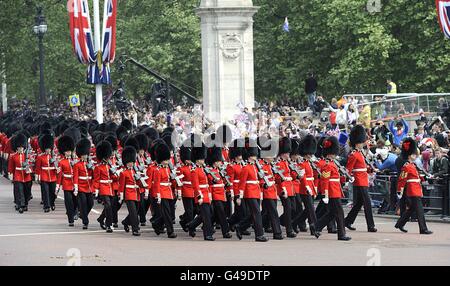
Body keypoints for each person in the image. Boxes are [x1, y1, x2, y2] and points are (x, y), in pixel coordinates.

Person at [315, 136, 351, 241]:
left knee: (332, 213)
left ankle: (316, 226)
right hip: (331, 191)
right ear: (330, 153)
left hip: (335, 189)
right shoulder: (327, 164)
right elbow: (325, 180)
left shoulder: (332, 163)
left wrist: (344, 179)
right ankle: (341, 234)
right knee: (339, 213)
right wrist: (325, 194)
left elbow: (336, 177)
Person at [395, 137, 433, 234]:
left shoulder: (412, 165)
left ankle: (400, 224)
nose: (415, 156)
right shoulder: (406, 166)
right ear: (409, 155)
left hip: (416, 188)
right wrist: (400, 190)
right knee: (419, 210)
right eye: (413, 154)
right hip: (412, 190)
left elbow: (417, 176)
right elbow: (402, 179)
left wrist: (424, 178)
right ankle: (423, 228)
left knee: (411, 209)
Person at [344, 125, 377, 232]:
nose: (364, 143)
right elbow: (348, 169)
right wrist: (346, 180)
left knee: (358, 204)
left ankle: (347, 221)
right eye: (362, 141)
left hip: (363, 179)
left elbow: (362, 167)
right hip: (358, 181)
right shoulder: (354, 154)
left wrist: (371, 170)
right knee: (367, 203)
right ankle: (370, 226)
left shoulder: (360, 153)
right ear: (358, 142)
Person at [235, 138, 268, 242]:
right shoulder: (246, 168)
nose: (255, 156)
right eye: (254, 155)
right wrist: (239, 196)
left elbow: (258, 179)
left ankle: (240, 227)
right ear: (249, 156)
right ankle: (259, 235)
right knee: (257, 213)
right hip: (249, 193)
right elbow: (242, 183)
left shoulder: (255, 166)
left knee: (254, 213)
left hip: (256, 191)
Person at [292, 135, 321, 238]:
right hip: (304, 188)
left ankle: (293, 223)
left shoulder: (309, 163)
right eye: (308, 153)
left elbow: (314, 176)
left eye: (310, 153)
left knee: (307, 210)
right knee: (311, 209)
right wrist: (307, 187)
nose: (310, 155)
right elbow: (303, 176)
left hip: (311, 186)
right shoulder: (301, 163)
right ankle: (315, 228)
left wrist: (315, 187)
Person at [187, 139, 215, 241]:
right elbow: (196, 185)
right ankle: (208, 235)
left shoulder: (203, 169)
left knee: (208, 214)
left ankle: (191, 225)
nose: (203, 160)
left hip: (207, 194)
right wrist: (199, 196)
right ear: (197, 159)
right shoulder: (194, 171)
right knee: (206, 216)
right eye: (202, 159)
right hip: (201, 195)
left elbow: (208, 183)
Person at [258, 136, 284, 240]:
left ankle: (241, 226)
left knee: (264, 213)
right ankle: (277, 233)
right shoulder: (260, 165)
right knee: (273, 211)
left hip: (272, 191)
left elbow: (275, 177)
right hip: (266, 191)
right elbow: (258, 177)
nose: (273, 158)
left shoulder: (269, 164)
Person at [205, 145, 232, 239]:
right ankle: (226, 232)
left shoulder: (219, 170)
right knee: (221, 213)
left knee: (215, 213)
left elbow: (223, 181)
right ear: (214, 161)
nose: (220, 162)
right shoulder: (209, 170)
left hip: (221, 193)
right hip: (214, 194)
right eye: (218, 161)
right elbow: (210, 182)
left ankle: (194, 225)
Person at [152, 143, 177, 238]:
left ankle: (156, 224)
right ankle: (170, 232)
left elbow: (171, 180)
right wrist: (158, 195)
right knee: (167, 213)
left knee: (169, 212)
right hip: (162, 193)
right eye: (165, 160)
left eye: (168, 160)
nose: (167, 162)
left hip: (169, 192)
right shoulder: (158, 170)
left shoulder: (169, 169)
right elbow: (157, 184)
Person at [275, 137, 297, 238]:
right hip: (283, 188)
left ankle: (280, 221)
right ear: (282, 153)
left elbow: (291, 176)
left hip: (290, 188)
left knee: (293, 208)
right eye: (287, 153)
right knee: (288, 209)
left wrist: (296, 173)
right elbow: (280, 177)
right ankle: (289, 230)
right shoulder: (279, 163)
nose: (288, 154)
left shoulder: (287, 163)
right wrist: (283, 189)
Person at [93, 140, 117, 233]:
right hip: (103, 187)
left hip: (110, 187)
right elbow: (96, 179)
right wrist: (96, 190)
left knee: (110, 206)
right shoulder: (98, 167)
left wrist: (114, 172)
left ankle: (101, 218)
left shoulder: (110, 166)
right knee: (108, 205)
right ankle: (109, 225)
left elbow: (115, 178)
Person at [118, 146, 141, 236]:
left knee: (136, 211)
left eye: (132, 162)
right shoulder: (123, 173)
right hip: (128, 194)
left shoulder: (136, 171)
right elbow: (121, 186)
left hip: (136, 193)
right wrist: (121, 196)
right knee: (133, 212)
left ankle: (126, 222)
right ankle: (135, 229)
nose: (131, 164)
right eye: (129, 162)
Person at [73, 138, 94, 229]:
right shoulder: (77, 165)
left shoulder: (90, 164)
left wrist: (92, 168)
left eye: (86, 154)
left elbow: (94, 176)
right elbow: (76, 177)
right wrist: (76, 188)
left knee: (91, 203)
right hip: (81, 187)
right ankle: (85, 222)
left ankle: (82, 214)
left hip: (89, 187)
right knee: (83, 204)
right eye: (84, 155)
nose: (85, 156)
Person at [8, 133, 32, 214]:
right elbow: (11, 167)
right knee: (19, 190)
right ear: (16, 148)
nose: (20, 149)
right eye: (19, 147)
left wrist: (29, 169)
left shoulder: (27, 156)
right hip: (18, 175)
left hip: (26, 175)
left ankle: (25, 204)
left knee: (26, 191)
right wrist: (11, 175)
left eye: (22, 147)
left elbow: (32, 164)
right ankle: (21, 205)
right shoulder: (13, 156)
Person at [56, 135, 77, 226]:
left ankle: (75, 212)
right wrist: (57, 186)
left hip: (75, 184)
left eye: (70, 150)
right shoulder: (61, 162)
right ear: (64, 152)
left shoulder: (75, 161)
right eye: (67, 151)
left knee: (76, 201)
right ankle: (70, 219)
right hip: (66, 184)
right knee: (68, 202)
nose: (69, 152)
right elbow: (60, 175)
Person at [34, 133, 57, 213]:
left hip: (53, 176)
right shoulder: (40, 157)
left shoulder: (54, 157)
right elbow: (38, 167)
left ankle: (52, 203)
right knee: (45, 192)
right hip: (44, 176)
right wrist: (37, 176)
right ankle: (46, 206)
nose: (48, 150)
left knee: (53, 192)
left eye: (49, 149)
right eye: (46, 149)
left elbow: (58, 167)